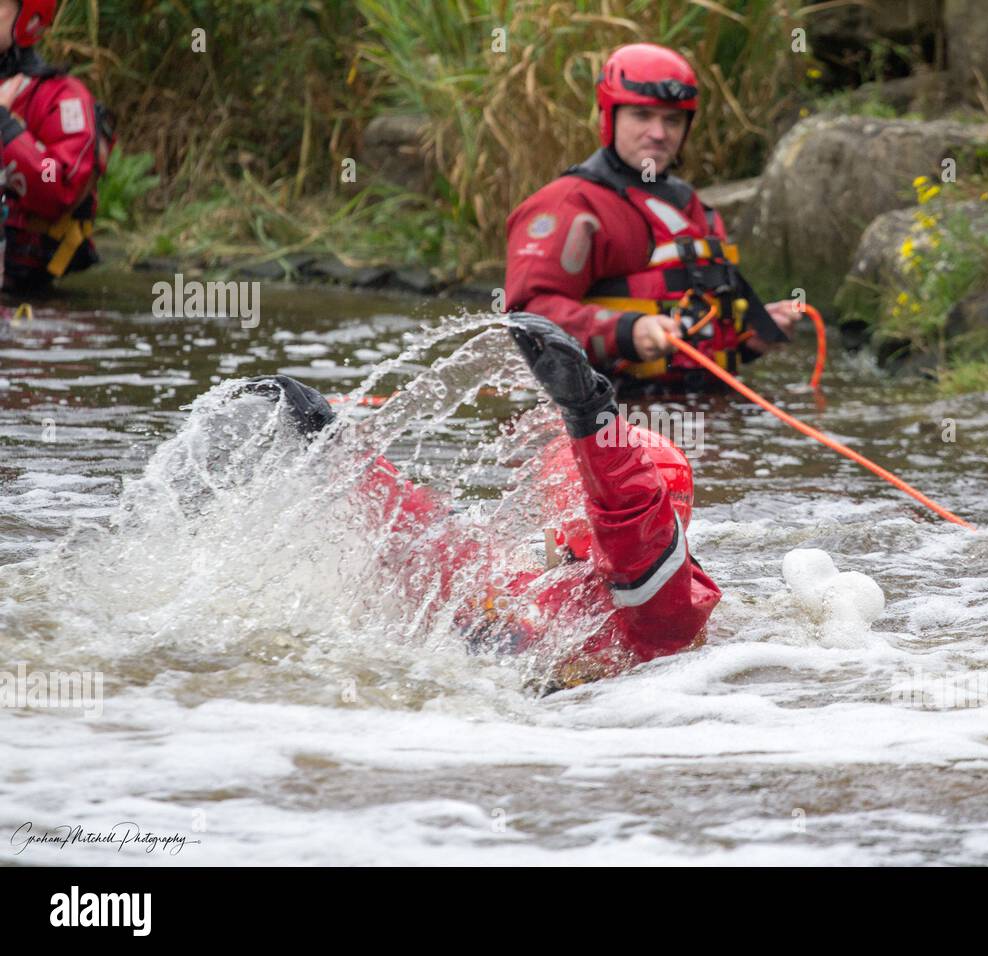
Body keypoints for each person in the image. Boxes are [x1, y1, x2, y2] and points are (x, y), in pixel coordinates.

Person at [225, 314, 722, 692]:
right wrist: (332, 444)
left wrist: (591, 416)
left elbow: (633, 516)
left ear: (558, 521)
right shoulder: (527, 583)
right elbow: (419, 530)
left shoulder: (665, 611)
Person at [505, 42, 803, 393]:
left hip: (705, 407)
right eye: (642, 116)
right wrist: (626, 332)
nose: (659, 134)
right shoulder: (569, 205)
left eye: (672, 120)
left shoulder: (692, 208)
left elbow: (697, 333)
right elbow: (529, 319)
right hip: (609, 413)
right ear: (609, 117)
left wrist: (752, 336)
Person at [0, 0, 116, 293]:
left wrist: (6, 127)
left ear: (28, 18)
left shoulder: (63, 99)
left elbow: (57, 187)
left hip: (29, 290)